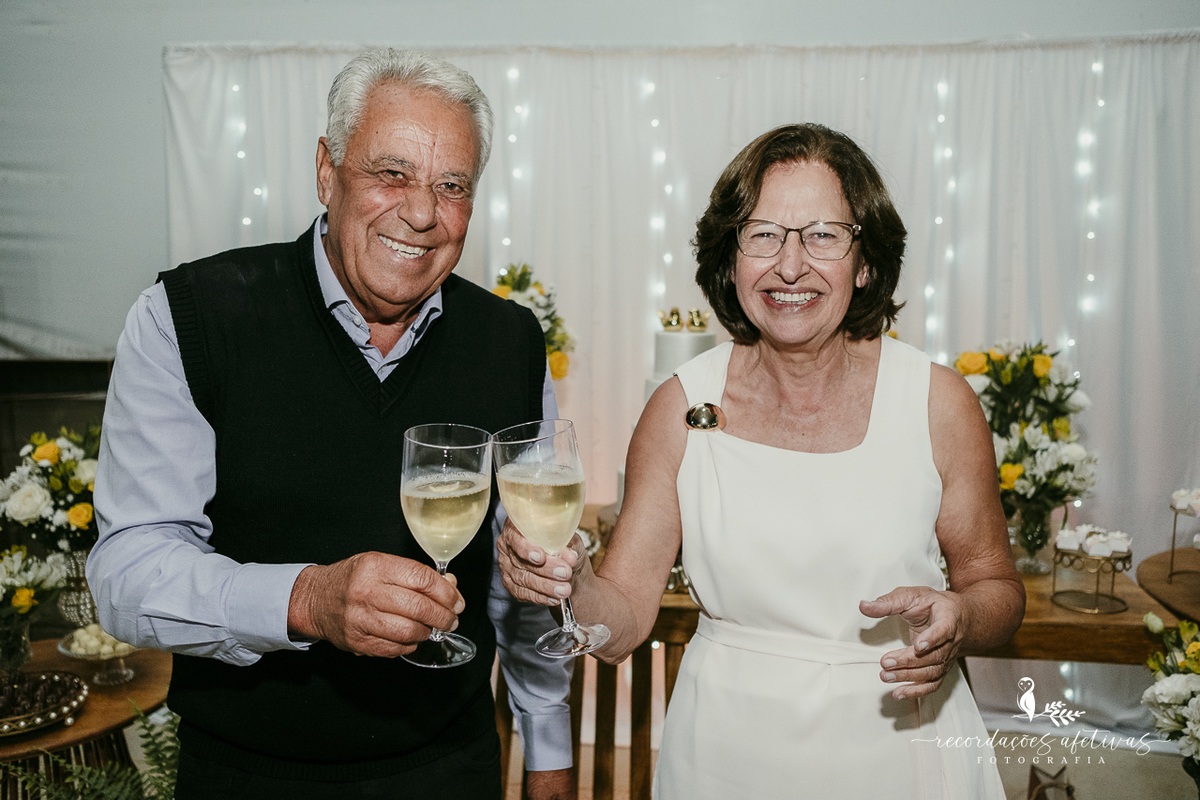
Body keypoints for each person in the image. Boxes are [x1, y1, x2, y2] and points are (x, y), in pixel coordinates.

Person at [89, 48, 574, 800]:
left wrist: (548, 748)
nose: (422, 212)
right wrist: (306, 600)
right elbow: (126, 573)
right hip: (250, 778)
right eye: (391, 174)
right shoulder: (187, 319)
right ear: (327, 170)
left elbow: (523, 577)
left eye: (452, 187)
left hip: (452, 769)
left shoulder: (510, 342)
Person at [498, 123, 1025, 798]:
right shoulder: (679, 408)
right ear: (732, 259)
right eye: (764, 234)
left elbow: (999, 592)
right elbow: (623, 619)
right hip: (721, 758)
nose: (791, 265)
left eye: (823, 235)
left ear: (865, 262)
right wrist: (571, 584)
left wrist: (962, 620)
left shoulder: (937, 402)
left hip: (898, 753)